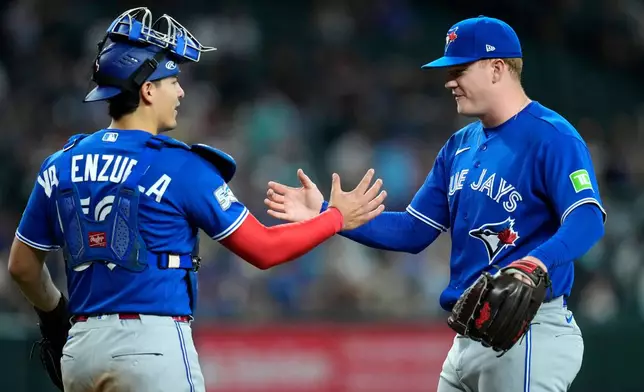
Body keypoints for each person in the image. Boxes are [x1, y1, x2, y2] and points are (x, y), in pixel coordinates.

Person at [7, 7, 386, 392]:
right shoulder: (179, 165)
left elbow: (22, 266)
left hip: (80, 352)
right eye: (173, 78)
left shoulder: (61, 163)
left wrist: (57, 317)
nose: (182, 91)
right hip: (151, 347)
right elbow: (264, 249)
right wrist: (335, 218)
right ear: (148, 89)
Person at [264, 15, 606, 392]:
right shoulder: (458, 147)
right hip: (467, 334)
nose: (450, 81)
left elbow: (587, 217)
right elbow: (413, 231)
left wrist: (534, 262)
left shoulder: (553, 137)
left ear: (497, 68)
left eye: (460, 69)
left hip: (528, 331)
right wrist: (331, 216)